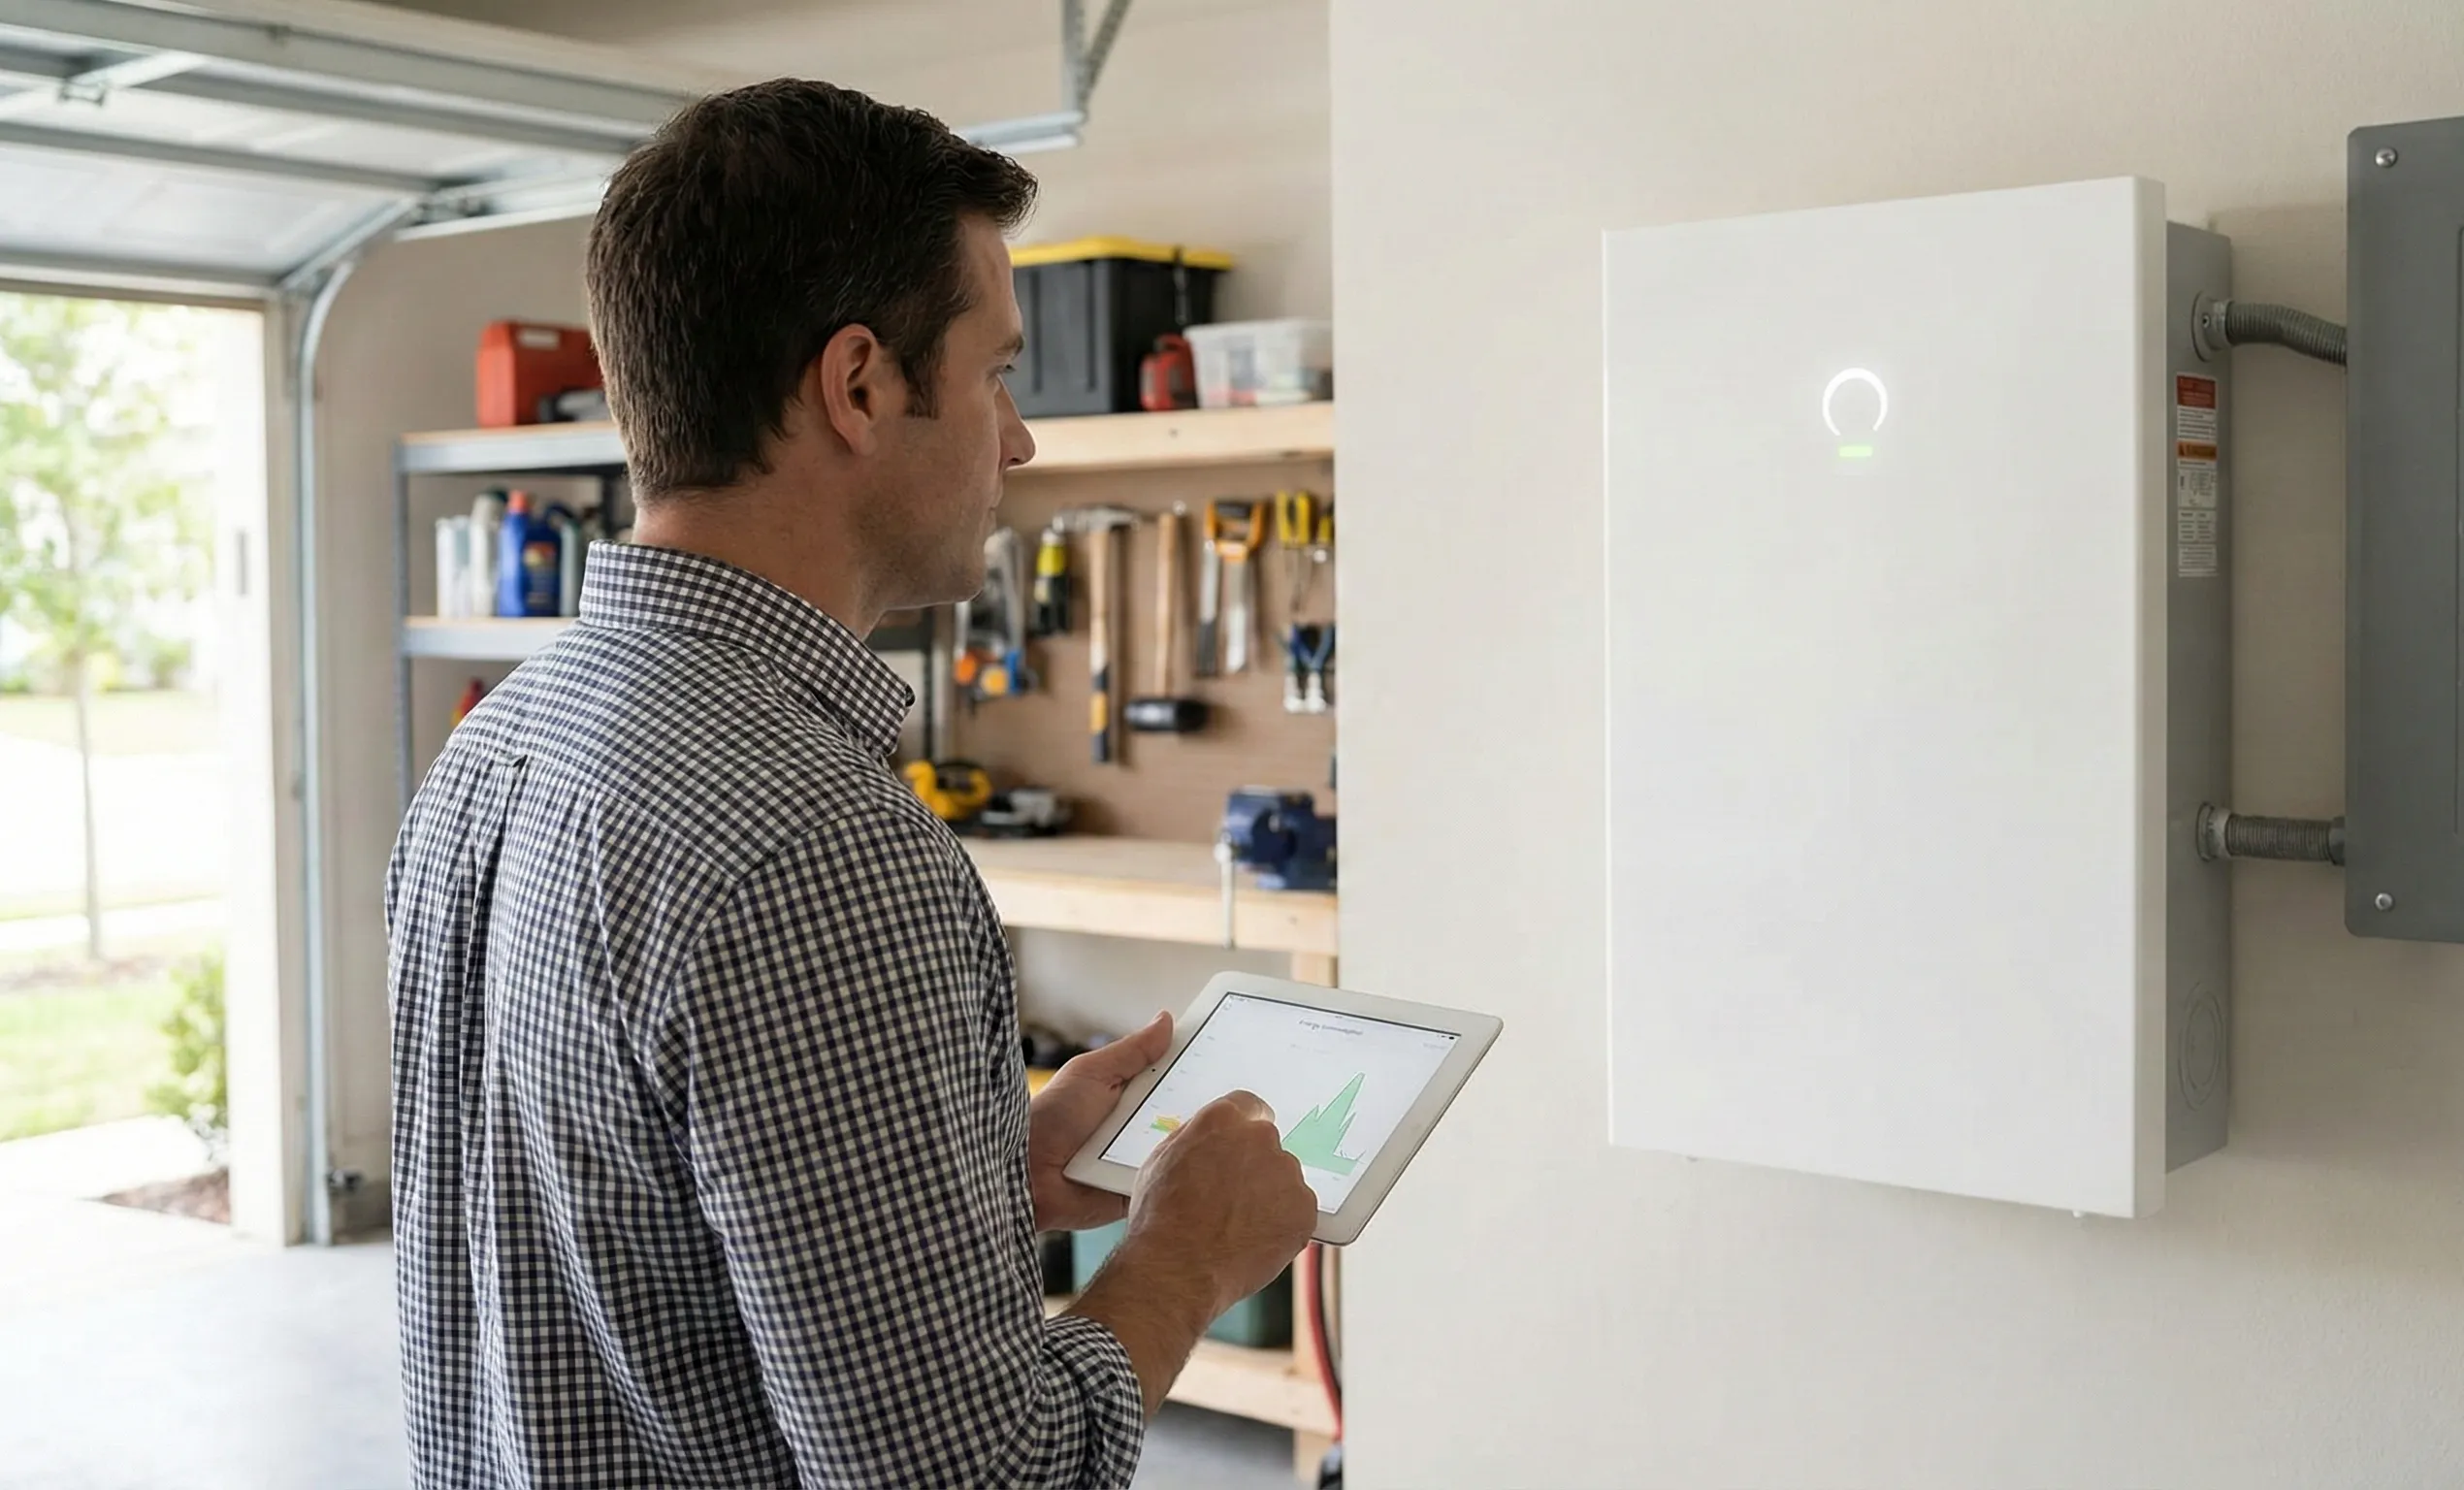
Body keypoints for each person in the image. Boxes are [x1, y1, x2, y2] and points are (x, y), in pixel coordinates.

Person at [384, 78, 1318, 1489]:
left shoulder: (498, 749)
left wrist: (976, 1175)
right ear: (862, 385)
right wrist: (1183, 1258)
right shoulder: (815, 847)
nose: (1019, 441)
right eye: (1000, 372)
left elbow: (625, 1256)